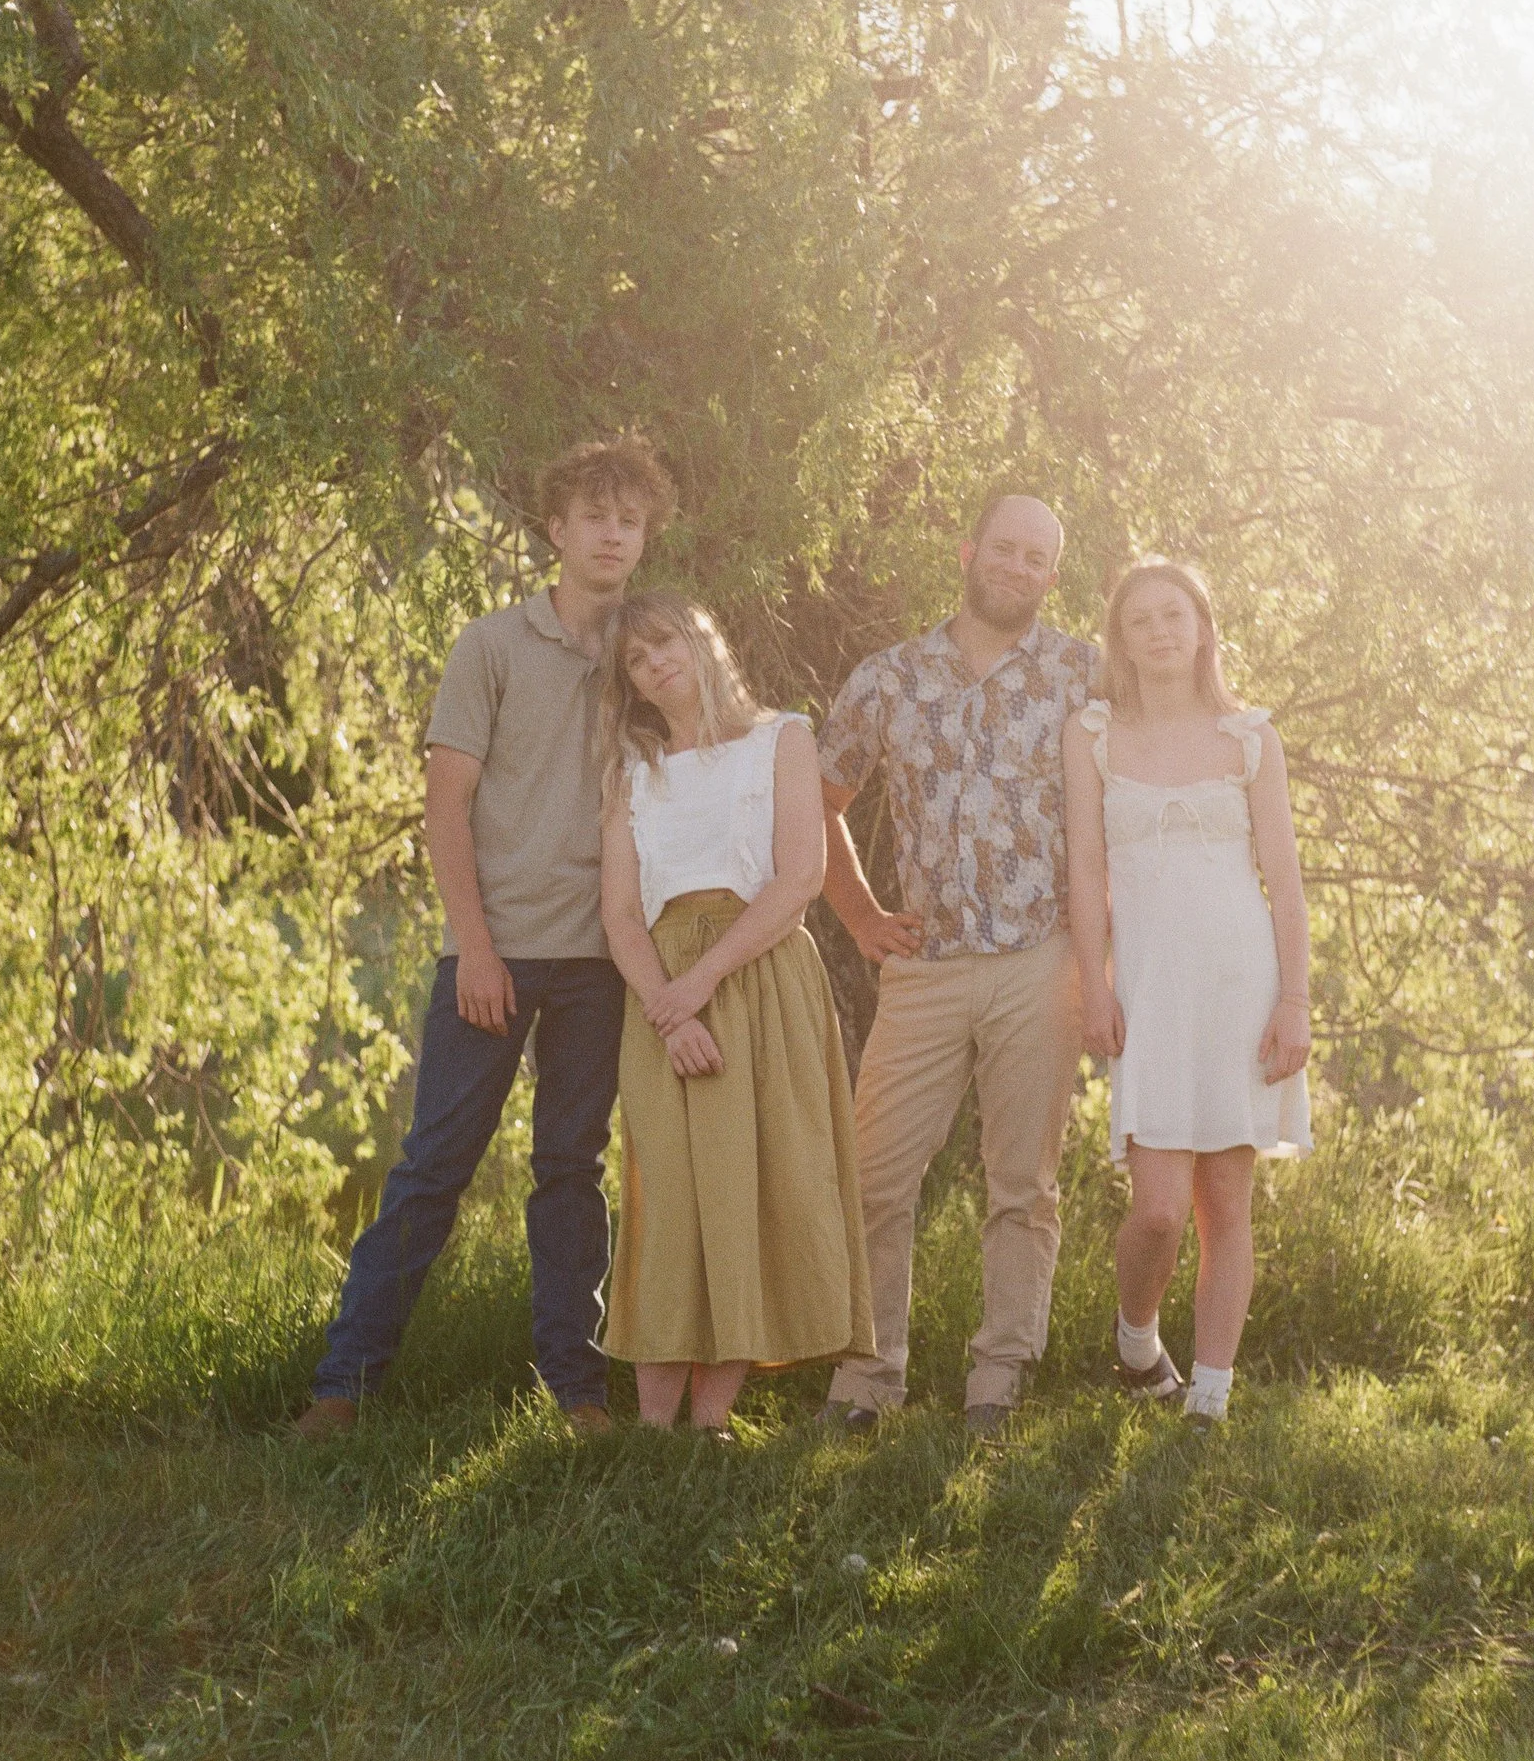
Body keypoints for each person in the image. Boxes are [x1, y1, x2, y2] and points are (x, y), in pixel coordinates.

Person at [296, 437, 677, 1440]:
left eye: (628, 519)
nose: (610, 534)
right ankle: (343, 1388)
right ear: (554, 530)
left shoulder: (647, 656)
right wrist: (473, 944)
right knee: (432, 1172)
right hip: (493, 952)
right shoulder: (492, 646)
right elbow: (446, 806)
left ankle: (576, 1390)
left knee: (571, 1173)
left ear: (643, 537)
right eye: (593, 516)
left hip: (600, 962)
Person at [814, 494, 1098, 1438]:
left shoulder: (1081, 675)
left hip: (1039, 959)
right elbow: (818, 801)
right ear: (970, 551)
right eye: (1004, 548)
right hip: (927, 963)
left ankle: (999, 1379)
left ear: (1052, 575)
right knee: (876, 1175)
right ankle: (867, 1376)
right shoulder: (890, 678)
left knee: (1023, 1181)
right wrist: (857, 913)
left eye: (1038, 557)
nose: (1018, 567)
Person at [596, 594, 872, 1434]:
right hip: (661, 990)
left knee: (748, 1190)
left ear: (703, 637)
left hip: (758, 974)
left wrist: (702, 985)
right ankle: (653, 1426)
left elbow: (796, 881)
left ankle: (711, 1421)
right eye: (637, 661)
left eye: (665, 643)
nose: (656, 664)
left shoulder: (782, 738)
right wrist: (669, 1011)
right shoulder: (631, 772)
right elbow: (619, 914)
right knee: (668, 1195)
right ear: (632, 684)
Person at [1064, 558, 1311, 1429]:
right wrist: (1092, 985)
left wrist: (1295, 1002)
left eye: (1175, 614)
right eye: (1141, 620)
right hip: (1150, 987)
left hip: (1240, 982)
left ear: (1204, 627)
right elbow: (1087, 869)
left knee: (1226, 1205)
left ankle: (1209, 1398)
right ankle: (1137, 1341)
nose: (1160, 630)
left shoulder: (1250, 737)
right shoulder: (1092, 734)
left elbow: (1282, 875)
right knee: (1160, 1213)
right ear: (1121, 639)